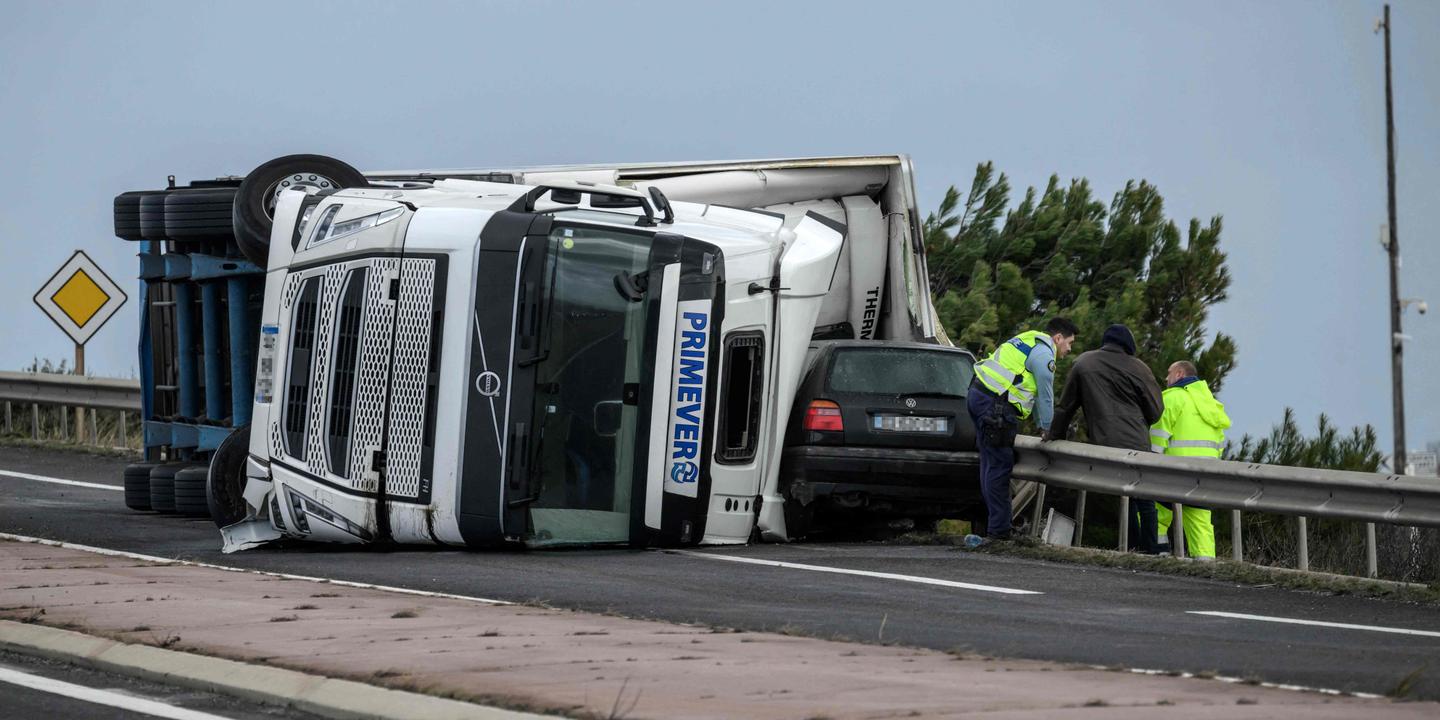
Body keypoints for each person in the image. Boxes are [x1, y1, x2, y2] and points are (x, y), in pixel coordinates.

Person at [1050, 324, 1165, 553]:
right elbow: (1155, 410)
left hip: (1103, 443)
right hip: (1136, 443)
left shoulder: (1084, 363)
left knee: (1123, 497)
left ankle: (1130, 547)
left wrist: (1055, 436)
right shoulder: (1139, 368)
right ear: (1128, 345)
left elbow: (1066, 407)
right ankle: (1149, 551)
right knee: (1144, 498)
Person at [968, 317, 1078, 540]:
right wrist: (1047, 428)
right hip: (996, 407)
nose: (1068, 349)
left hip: (978, 395)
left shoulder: (1026, 340)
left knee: (989, 465)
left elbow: (1034, 393)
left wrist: (1040, 424)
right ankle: (999, 532)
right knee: (999, 467)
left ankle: (990, 527)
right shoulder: (1045, 354)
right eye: (1069, 343)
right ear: (1058, 338)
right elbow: (1045, 395)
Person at [1149, 360, 1231, 560]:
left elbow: (1158, 435)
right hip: (1203, 475)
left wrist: (1150, 461)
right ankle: (1206, 566)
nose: (1166, 378)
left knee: (1156, 515)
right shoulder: (1211, 404)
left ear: (1178, 374)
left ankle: (1156, 556)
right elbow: (1219, 444)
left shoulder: (1172, 398)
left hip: (1172, 472)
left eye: (1169, 373)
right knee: (1200, 522)